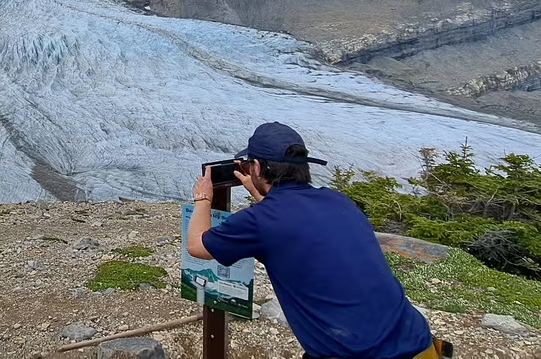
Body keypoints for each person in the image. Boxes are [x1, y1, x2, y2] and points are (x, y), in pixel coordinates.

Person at [186, 122, 442, 359]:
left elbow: (197, 245)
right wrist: (262, 196)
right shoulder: (338, 201)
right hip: (419, 343)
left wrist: (203, 198)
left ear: (256, 167)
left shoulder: (262, 220)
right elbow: (291, 222)